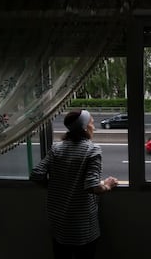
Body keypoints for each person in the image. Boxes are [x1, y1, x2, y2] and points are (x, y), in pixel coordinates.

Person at [30, 109, 118, 259]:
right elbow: (93, 186)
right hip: (83, 228)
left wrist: (55, 187)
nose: (94, 125)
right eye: (91, 122)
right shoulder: (92, 149)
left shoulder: (57, 148)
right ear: (84, 127)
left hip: (59, 224)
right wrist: (108, 184)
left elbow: (36, 175)